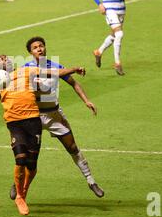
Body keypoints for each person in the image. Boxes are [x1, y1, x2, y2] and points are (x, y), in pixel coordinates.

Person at [0, 55, 85, 215]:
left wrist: (73, 69)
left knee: (31, 164)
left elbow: (53, 72)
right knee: (20, 159)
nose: (4, 58)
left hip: (34, 121)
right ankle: (20, 197)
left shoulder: (26, 71)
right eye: (1, 58)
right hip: (14, 123)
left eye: (6, 57)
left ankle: (23, 192)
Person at [8, 37, 104, 200]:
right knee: (29, 158)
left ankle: (91, 181)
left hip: (54, 115)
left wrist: (86, 100)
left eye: (41, 46)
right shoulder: (25, 69)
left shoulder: (55, 66)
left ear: (45, 48)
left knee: (72, 147)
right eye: (35, 47)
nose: (39, 49)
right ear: (30, 52)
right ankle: (17, 186)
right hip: (34, 117)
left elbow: (74, 83)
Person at [92, 0, 132, 75]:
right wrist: (100, 4)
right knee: (119, 34)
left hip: (121, 9)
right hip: (110, 10)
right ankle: (117, 63)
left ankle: (98, 52)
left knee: (114, 35)